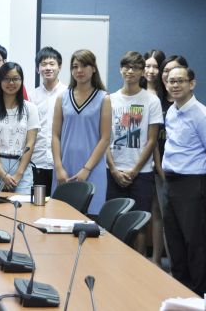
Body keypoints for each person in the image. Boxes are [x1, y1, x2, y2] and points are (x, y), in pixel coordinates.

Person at [162, 65, 206, 297]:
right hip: (171, 182)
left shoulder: (203, 115)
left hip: (192, 183)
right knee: (175, 242)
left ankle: (198, 295)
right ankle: (180, 290)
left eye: (180, 81)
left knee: (194, 242)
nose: (175, 85)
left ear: (192, 84)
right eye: (171, 81)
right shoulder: (172, 111)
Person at [106, 51, 162, 253]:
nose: (130, 71)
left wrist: (134, 171)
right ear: (121, 69)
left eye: (135, 68)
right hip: (114, 171)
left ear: (141, 72)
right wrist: (113, 170)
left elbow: (152, 139)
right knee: (114, 222)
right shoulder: (109, 99)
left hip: (142, 173)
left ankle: (138, 274)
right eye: (126, 67)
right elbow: (104, 139)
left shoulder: (151, 100)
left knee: (139, 225)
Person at [51, 49, 111, 216]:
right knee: (60, 219)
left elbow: (105, 138)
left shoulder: (103, 98)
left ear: (93, 69)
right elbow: (55, 135)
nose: (79, 70)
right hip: (64, 169)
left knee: (89, 221)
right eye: (75, 66)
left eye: (84, 65)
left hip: (93, 169)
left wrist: (86, 169)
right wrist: (58, 167)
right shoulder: (62, 97)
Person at [0, 62, 39, 193]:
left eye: (15, 79)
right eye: (6, 79)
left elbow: (31, 143)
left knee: (22, 211)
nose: (11, 83)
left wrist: (19, 174)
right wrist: (1, 173)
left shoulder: (31, 108)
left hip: (21, 168)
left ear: (21, 81)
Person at [143, 49, 169, 267]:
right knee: (142, 211)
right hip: (140, 162)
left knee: (158, 211)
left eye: (155, 66)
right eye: (147, 66)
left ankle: (157, 259)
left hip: (164, 163)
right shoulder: (136, 93)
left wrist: (159, 164)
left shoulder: (167, 96)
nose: (150, 71)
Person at [30, 47, 66, 196]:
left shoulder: (68, 93)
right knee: (37, 206)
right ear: (38, 69)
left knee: (60, 207)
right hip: (36, 161)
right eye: (44, 64)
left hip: (62, 163)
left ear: (60, 67)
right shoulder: (32, 96)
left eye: (52, 64)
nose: (48, 68)